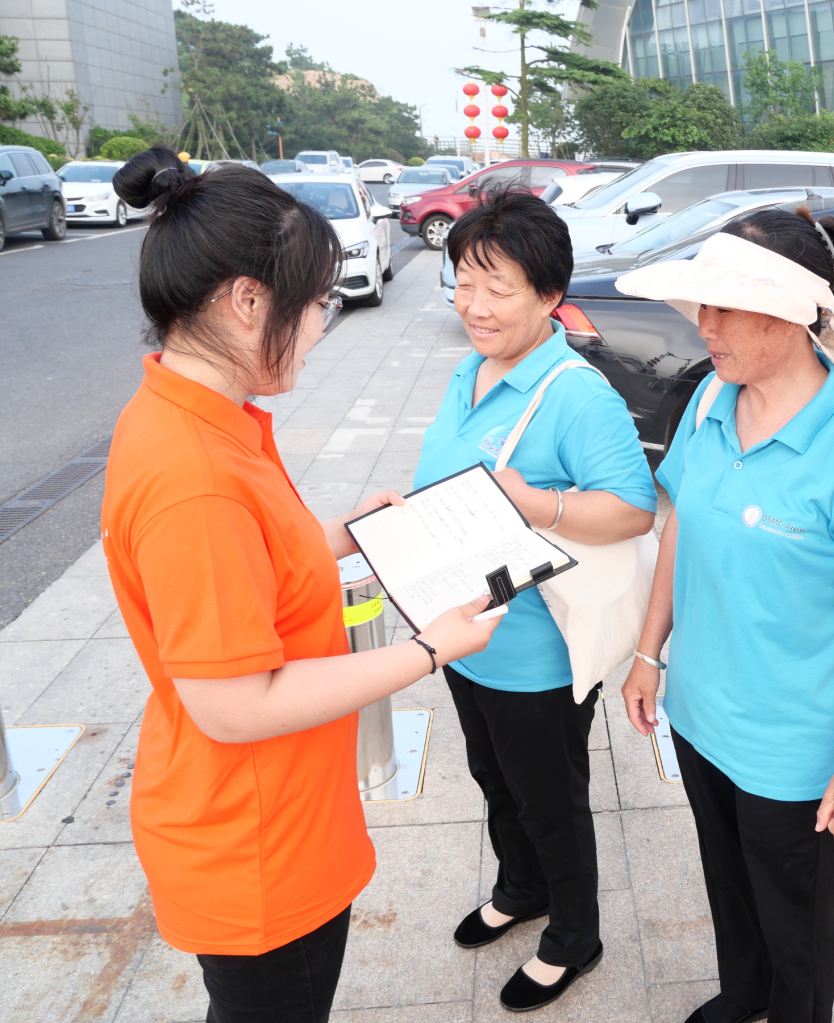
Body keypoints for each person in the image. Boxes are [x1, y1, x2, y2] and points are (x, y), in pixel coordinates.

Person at [102, 147, 503, 1023]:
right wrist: (428, 648)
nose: (322, 325)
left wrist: (345, 533)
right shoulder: (194, 477)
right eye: (317, 302)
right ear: (247, 300)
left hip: (278, 809)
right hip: (256, 841)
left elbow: (251, 559)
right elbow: (233, 703)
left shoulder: (200, 416)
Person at [617, 206, 834, 1023]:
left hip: (790, 745)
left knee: (796, 923)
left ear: (788, 313)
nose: (703, 326)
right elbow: (679, 523)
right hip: (699, 714)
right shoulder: (712, 398)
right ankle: (744, 992)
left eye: (723, 308)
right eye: (701, 307)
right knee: (729, 881)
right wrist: (647, 652)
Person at [415, 189, 657, 1012]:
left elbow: (632, 509)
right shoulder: (469, 368)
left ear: (550, 295)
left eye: (498, 288)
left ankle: (574, 934)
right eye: (463, 283)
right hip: (466, 638)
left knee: (549, 800)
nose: (474, 306)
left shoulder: (575, 393)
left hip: (536, 653)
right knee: (493, 777)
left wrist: (536, 504)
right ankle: (521, 888)